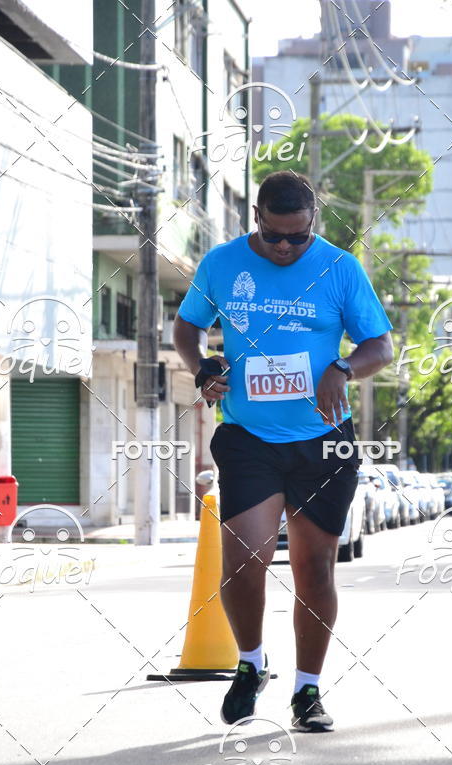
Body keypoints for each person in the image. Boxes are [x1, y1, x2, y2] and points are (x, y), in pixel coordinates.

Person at [173, 171, 393, 732]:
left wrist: (342, 369)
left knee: (314, 567)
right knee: (244, 561)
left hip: (323, 440)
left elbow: (381, 346)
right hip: (249, 438)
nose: (287, 248)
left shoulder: (341, 269)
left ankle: (308, 691)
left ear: (312, 222)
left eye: (298, 237)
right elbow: (187, 329)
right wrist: (203, 368)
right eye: (275, 236)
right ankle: (250, 664)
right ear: (257, 220)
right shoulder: (222, 265)